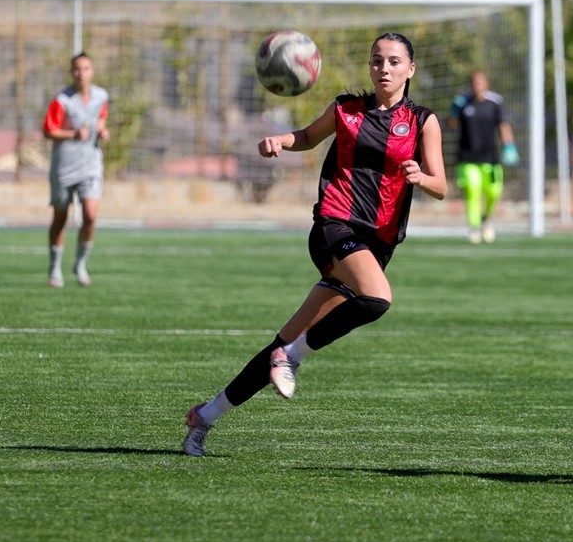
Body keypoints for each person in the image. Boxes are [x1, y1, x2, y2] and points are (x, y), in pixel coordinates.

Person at [182, 32, 447, 457]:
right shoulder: (346, 109)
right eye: (377, 61)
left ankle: (204, 417)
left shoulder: (422, 121)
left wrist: (420, 177)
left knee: (281, 340)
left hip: (376, 245)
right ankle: (293, 357)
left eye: (394, 62)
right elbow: (306, 136)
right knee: (377, 300)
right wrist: (279, 141)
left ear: (410, 70)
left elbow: (441, 185)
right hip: (334, 227)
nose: (384, 68)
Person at [43, 52, 110, 288]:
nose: (81, 74)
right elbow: (48, 130)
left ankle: (80, 263)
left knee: (90, 216)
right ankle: (54, 267)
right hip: (64, 166)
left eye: (86, 69)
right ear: (71, 72)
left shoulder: (101, 96)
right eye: (77, 69)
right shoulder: (62, 100)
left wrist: (102, 130)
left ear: (92, 71)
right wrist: (72, 134)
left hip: (91, 164)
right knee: (61, 218)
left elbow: (100, 117)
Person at [449, 70, 518, 244]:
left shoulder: (494, 104)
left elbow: (503, 126)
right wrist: (454, 111)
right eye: (474, 82)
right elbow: (450, 124)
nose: (477, 85)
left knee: (494, 192)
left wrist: (509, 146)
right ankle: (474, 227)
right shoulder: (463, 104)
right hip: (467, 159)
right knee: (472, 190)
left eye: (480, 82)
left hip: (491, 159)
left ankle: (486, 219)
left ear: (486, 84)